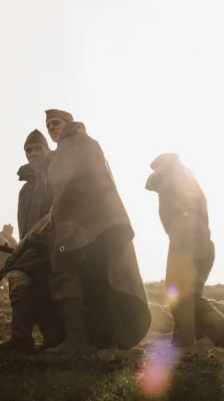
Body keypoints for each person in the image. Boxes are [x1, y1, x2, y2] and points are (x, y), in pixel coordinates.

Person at [44, 110, 151, 354]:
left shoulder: (78, 143)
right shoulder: (72, 146)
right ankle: (101, 342)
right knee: (95, 280)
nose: (51, 127)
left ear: (69, 124)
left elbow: (73, 184)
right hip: (92, 225)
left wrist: (56, 213)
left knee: (79, 277)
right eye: (48, 124)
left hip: (89, 225)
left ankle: (85, 342)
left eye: (56, 122)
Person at [145, 153, 224, 348]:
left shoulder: (173, 174)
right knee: (192, 295)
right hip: (201, 239)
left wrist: (164, 167)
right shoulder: (187, 179)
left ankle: (185, 342)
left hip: (185, 239)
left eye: (156, 166)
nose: (154, 171)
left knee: (178, 293)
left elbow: (150, 182)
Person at [0, 128, 63, 353]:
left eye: (37, 148)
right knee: (27, 283)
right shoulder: (25, 188)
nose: (32, 153)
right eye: (28, 150)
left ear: (47, 149)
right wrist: (24, 243)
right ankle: (37, 338)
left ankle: (26, 339)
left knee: (21, 277)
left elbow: (58, 210)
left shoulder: (57, 174)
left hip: (56, 242)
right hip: (32, 245)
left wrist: (36, 237)